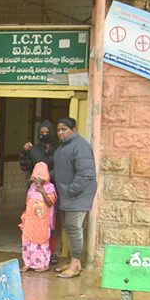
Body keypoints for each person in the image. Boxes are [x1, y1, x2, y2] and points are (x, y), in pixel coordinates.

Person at [52, 117, 97, 279]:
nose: (60, 133)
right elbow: (61, 169)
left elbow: (86, 173)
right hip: (68, 196)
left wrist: (71, 191)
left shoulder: (80, 146)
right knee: (69, 229)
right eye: (58, 130)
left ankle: (75, 264)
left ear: (73, 130)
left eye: (64, 129)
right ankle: (74, 261)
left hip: (77, 196)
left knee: (73, 228)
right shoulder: (64, 147)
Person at [19, 161, 56, 273]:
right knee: (27, 241)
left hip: (42, 222)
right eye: (36, 178)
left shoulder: (50, 188)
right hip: (30, 220)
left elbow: (50, 203)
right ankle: (27, 263)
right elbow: (28, 201)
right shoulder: (32, 187)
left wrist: (43, 192)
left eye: (40, 178)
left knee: (41, 242)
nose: (37, 180)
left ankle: (43, 264)